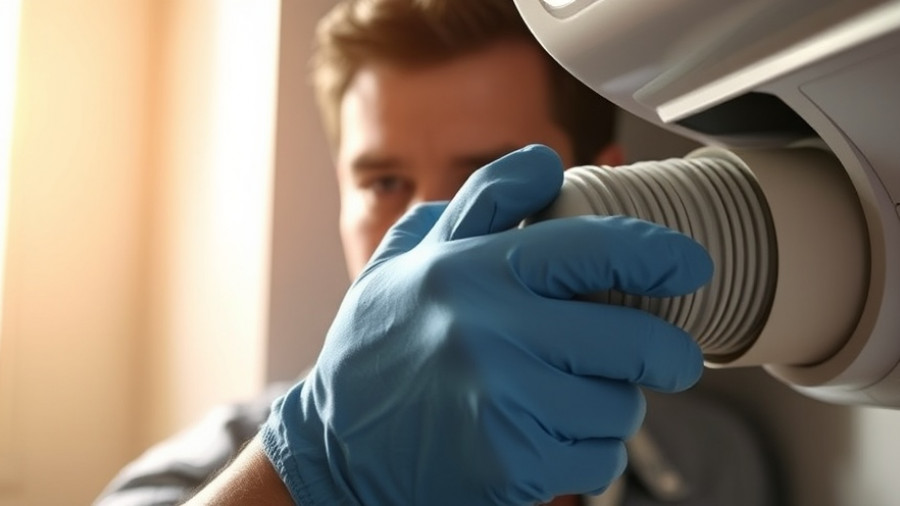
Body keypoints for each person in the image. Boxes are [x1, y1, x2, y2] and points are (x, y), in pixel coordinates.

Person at [95, 1, 777, 505]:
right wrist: (313, 472)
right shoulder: (199, 474)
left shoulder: (710, 469)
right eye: (384, 182)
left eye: (486, 176)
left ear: (609, 192)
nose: (432, 228)